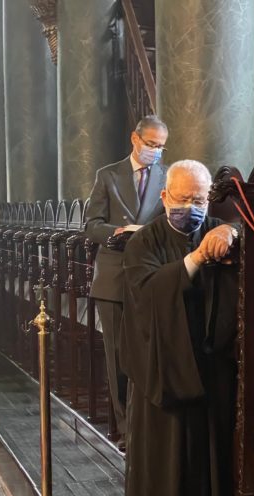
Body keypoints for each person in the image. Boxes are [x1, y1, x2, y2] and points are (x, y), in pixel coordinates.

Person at [121, 159, 239, 496]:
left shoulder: (215, 228)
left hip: (210, 364)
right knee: (165, 459)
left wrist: (232, 231)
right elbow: (147, 293)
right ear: (165, 196)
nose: (191, 208)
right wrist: (196, 259)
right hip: (163, 366)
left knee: (213, 455)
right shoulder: (144, 241)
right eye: (183, 199)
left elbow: (251, 231)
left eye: (199, 200)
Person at [85, 115, 169, 451]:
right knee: (118, 357)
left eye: (161, 146)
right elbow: (91, 224)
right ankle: (125, 430)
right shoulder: (108, 175)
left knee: (149, 354)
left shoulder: (168, 176)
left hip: (150, 274)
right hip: (114, 275)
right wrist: (115, 232)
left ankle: (149, 425)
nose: (156, 152)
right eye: (151, 144)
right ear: (135, 139)